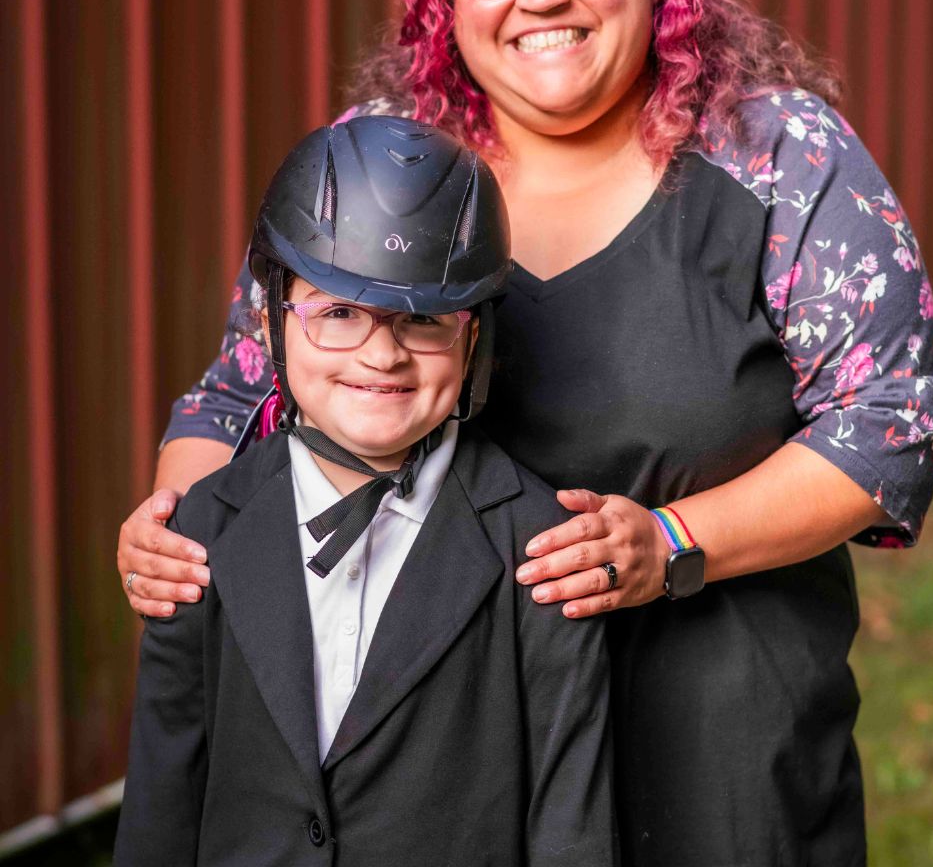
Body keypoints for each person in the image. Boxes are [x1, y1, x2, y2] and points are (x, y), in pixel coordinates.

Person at [117, 0, 933, 865]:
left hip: (714, 745)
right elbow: (238, 396)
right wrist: (172, 526)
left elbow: (889, 427)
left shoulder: (776, 155)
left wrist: (671, 544)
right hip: (440, 775)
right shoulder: (383, 168)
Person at [114, 117, 616, 867]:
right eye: (338, 314)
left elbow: (571, 827)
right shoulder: (198, 532)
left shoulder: (543, 551)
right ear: (271, 322)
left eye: (423, 321)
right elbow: (161, 802)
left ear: (474, 338)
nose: (381, 354)